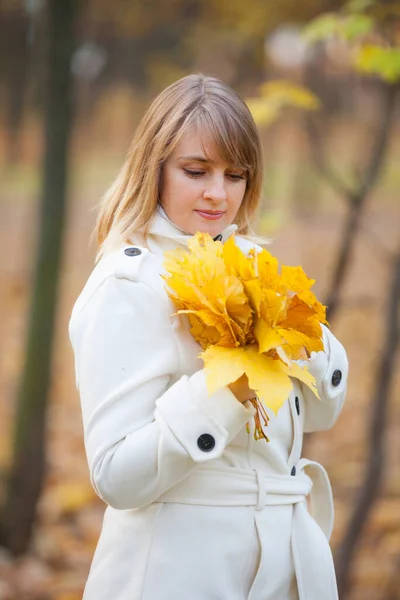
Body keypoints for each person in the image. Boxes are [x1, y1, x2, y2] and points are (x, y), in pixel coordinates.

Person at [69, 73, 349, 600]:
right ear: (154, 169)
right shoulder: (127, 287)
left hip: (281, 564)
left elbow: (320, 413)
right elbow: (114, 477)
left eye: (236, 174)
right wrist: (222, 393)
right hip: (179, 573)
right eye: (195, 171)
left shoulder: (251, 264)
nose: (218, 194)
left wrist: (300, 331)